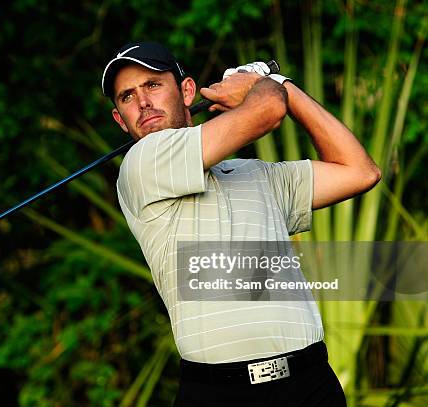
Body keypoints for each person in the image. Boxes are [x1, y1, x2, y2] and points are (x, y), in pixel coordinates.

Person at [101, 41, 381, 406]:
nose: (142, 102)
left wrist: (283, 85)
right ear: (120, 119)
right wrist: (262, 85)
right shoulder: (142, 164)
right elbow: (264, 112)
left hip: (310, 383)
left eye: (152, 84)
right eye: (127, 96)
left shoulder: (255, 175)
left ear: (187, 91)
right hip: (221, 393)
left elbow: (360, 171)